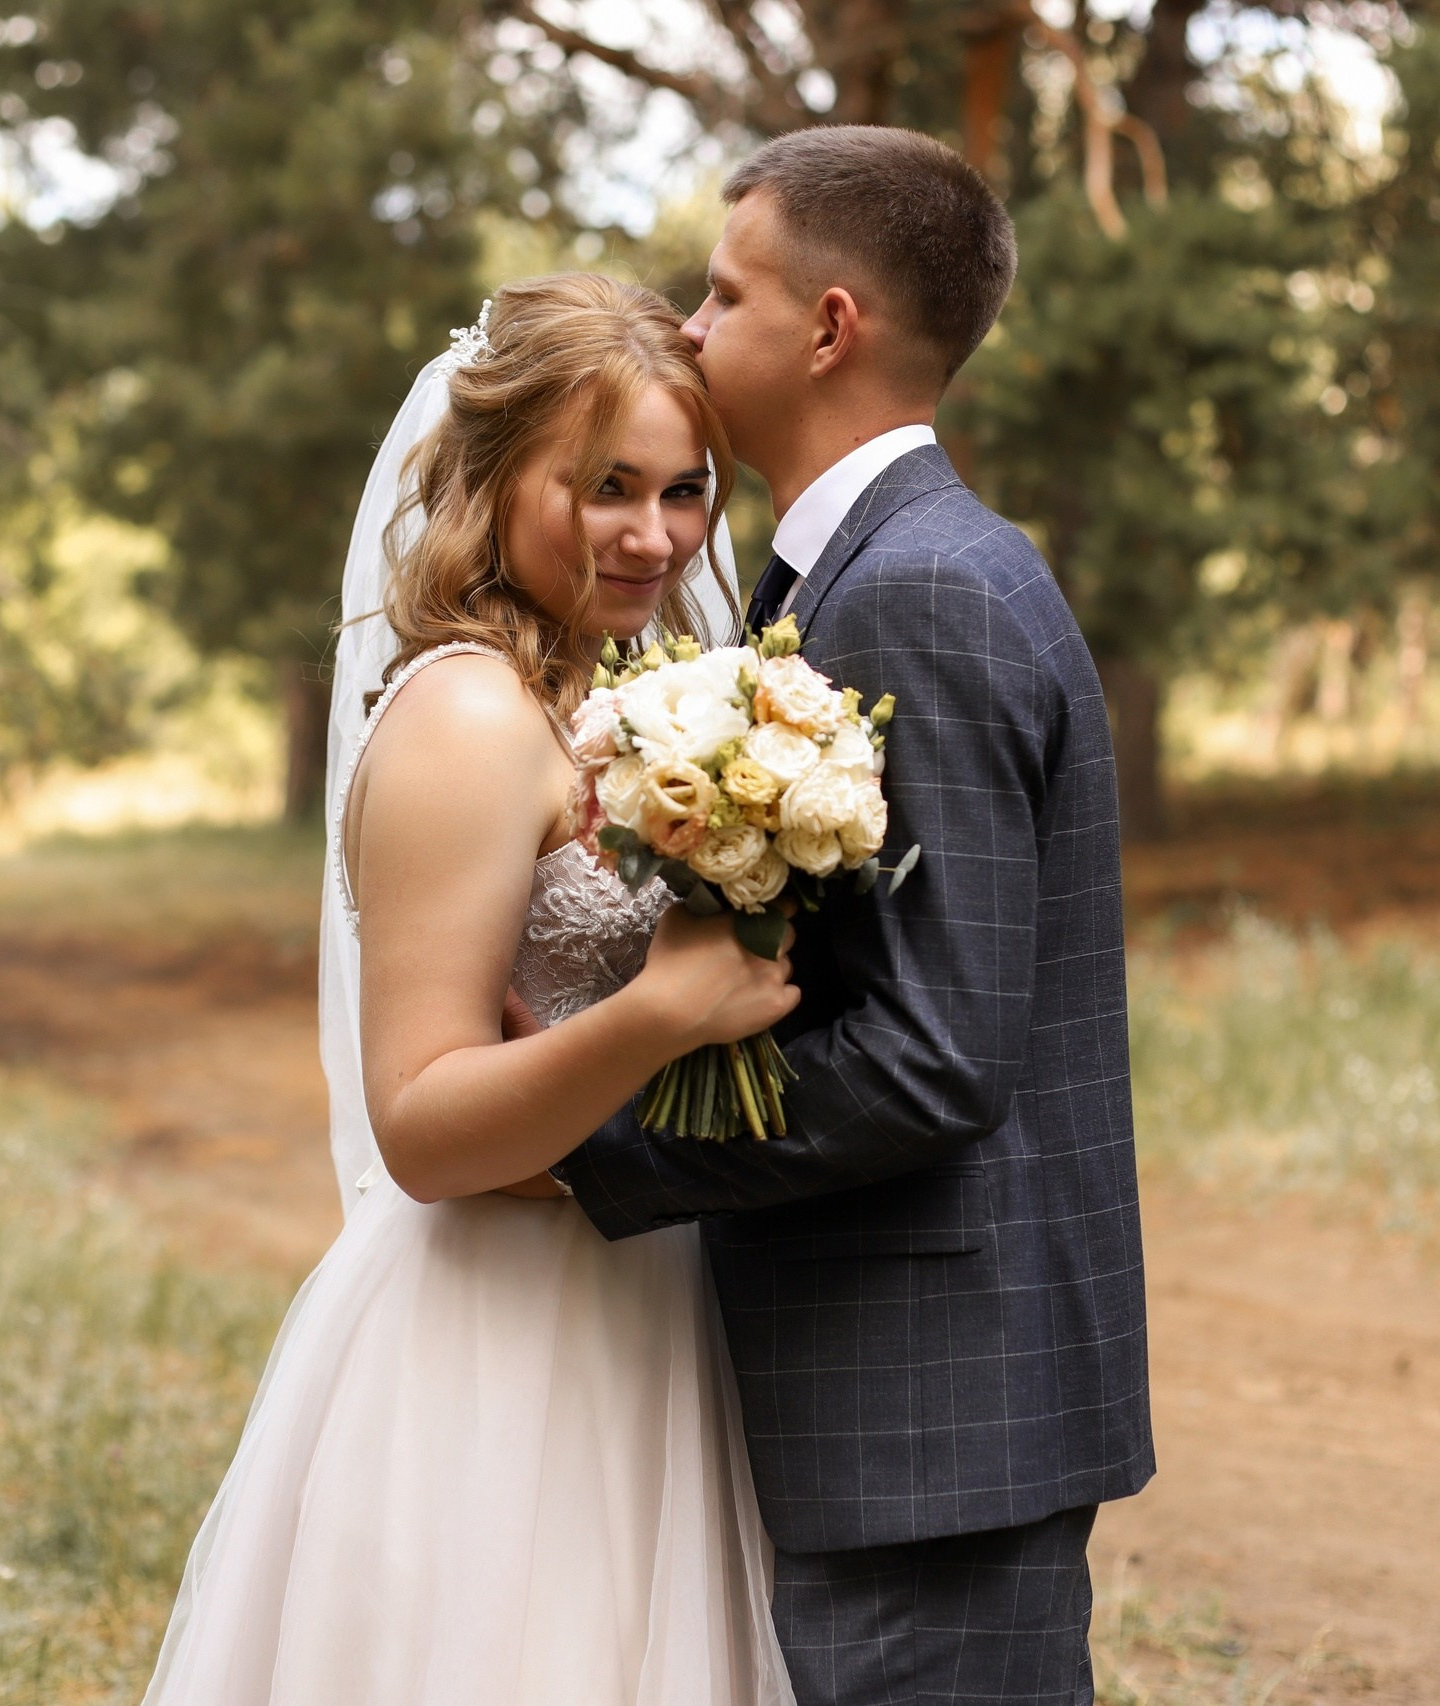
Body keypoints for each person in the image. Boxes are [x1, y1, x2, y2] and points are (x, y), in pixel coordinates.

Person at [551, 126, 1154, 1706]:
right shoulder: (869, 574)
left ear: (828, 328)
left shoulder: (920, 592)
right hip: (913, 1401)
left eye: (721, 290)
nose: (686, 326)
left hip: (931, 1409)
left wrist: (590, 1137)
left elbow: (934, 1056)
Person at [137, 274, 801, 1703]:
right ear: (497, 478)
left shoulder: (612, 698)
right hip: (499, 1340)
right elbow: (424, 1127)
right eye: (604, 485)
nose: (654, 534)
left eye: (685, 490)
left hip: (638, 1294)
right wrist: (657, 1014)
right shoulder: (468, 714)